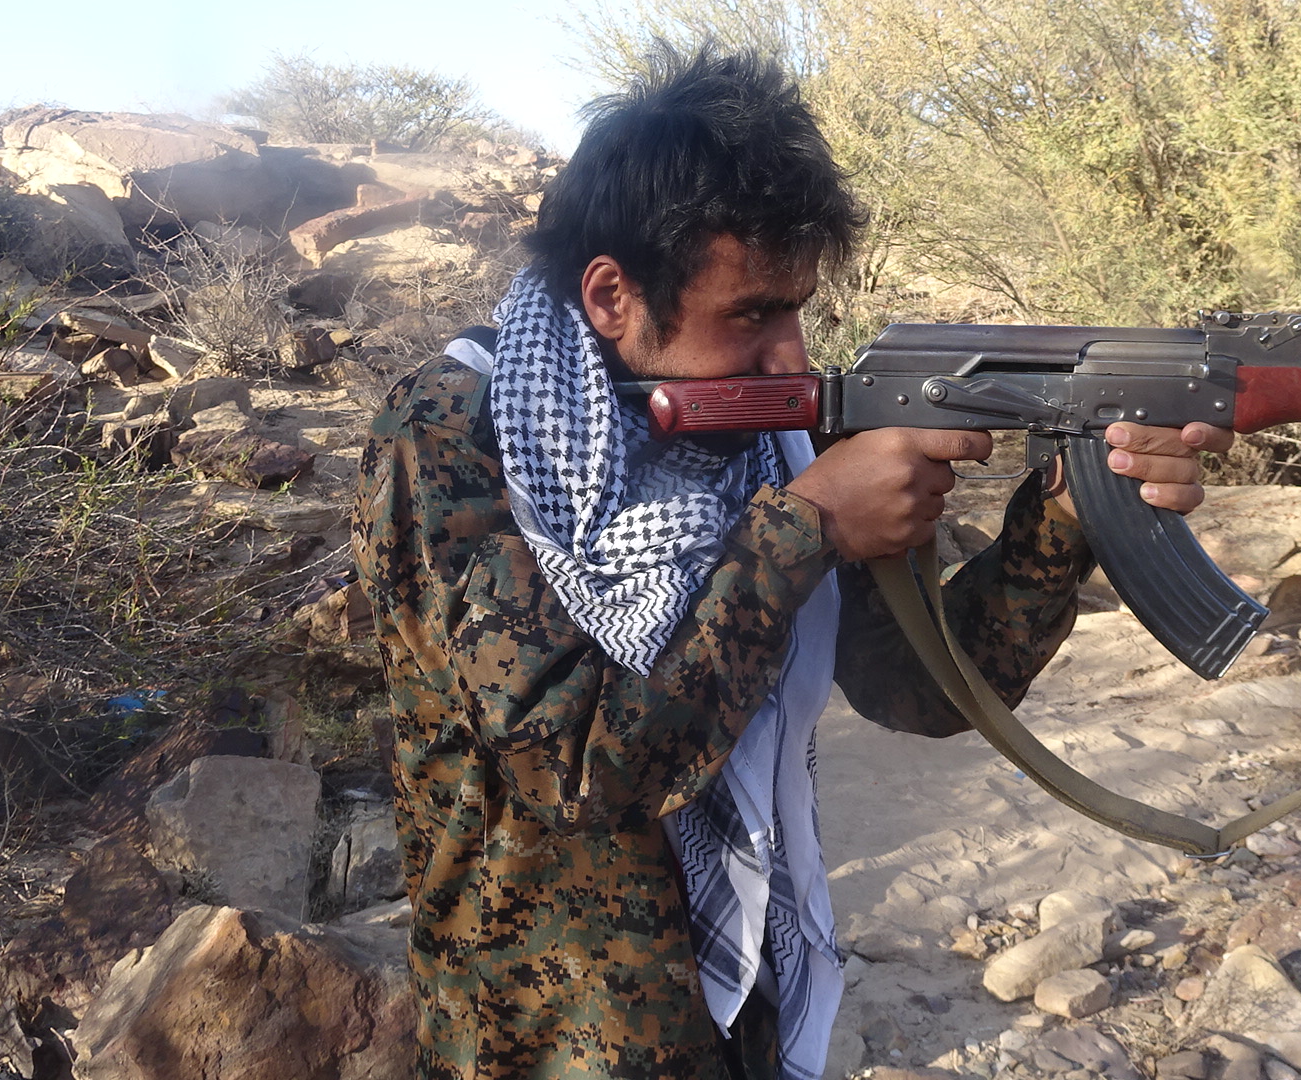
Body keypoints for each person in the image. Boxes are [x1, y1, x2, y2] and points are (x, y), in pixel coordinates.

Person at [353, 45, 1231, 1080]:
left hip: (749, 1004)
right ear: (610, 296)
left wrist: (1068, 512)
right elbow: (576, 765)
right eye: (751, 314)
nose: (791, 357)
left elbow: (917, 689)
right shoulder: (460, 433)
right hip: (545, 1040)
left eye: (797, 309)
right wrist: (805, 527)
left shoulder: (768, 437)